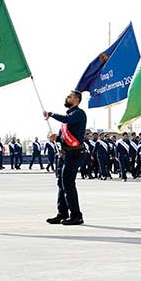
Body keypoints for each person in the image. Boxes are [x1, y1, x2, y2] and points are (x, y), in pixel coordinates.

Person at [43, 90, 88, 225]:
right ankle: (62, 213)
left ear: (76, 100)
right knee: (61, 184)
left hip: (75, 154)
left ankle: (76, 215)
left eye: (69, 96)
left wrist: (51, 114)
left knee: (68, 184)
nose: (66, 98)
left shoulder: (78, 114)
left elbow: (67, 119)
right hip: (65, 154)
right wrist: (55, 138)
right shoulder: (68, 116)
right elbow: (63, 138)